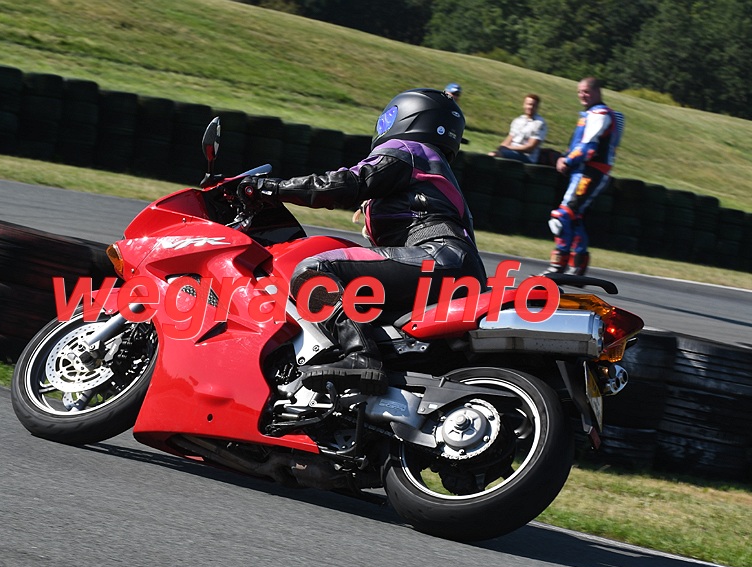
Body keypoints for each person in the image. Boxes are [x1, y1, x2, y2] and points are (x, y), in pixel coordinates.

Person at [237, 88, 486, 395]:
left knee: (314, 270)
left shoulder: (408, 150)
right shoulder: (431, 166)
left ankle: (360, 356)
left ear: (407, 115)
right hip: (454, 265)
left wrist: (271, 188)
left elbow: (347, 183)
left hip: (438, 257)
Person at [545, 77, 624, 276]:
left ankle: (558, 264)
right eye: (580, 92)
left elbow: (588, 146)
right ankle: (577, 265)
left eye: (586, 91)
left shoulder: (599, 114)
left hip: (590, 172)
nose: (582, 95)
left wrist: (567, 160)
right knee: (574, 217)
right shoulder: (590, 114)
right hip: (584, 171)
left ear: (597, 92)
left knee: (562, 216)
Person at [489, 94, 547, 164]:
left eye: (533, 105)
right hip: (511, 151)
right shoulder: (518, 120)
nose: (530, 107)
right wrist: (501, 147)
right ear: (524, 105)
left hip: (526, 157)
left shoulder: (539, 123)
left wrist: (509, 148)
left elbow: (530, 148)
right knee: (490, 155)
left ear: (537, 107)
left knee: (495, 155)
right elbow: (509, 139)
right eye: (528, 104)